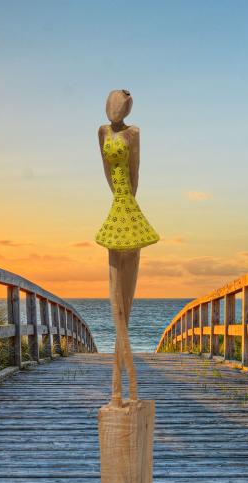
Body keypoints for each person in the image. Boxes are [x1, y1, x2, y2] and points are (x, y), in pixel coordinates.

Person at [95, 89, 159, 405]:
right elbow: (107, 170)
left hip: (128, 208)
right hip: (115, 207)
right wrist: (117, 199)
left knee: (126, 299)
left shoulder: (134, 133)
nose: (113, 109)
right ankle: (119, 384)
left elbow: (135, 174)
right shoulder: (102, 132)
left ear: (127, 107)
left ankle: (125, 383)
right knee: (115, 298)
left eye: (118, 104)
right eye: (110, 104)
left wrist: (127, 203)